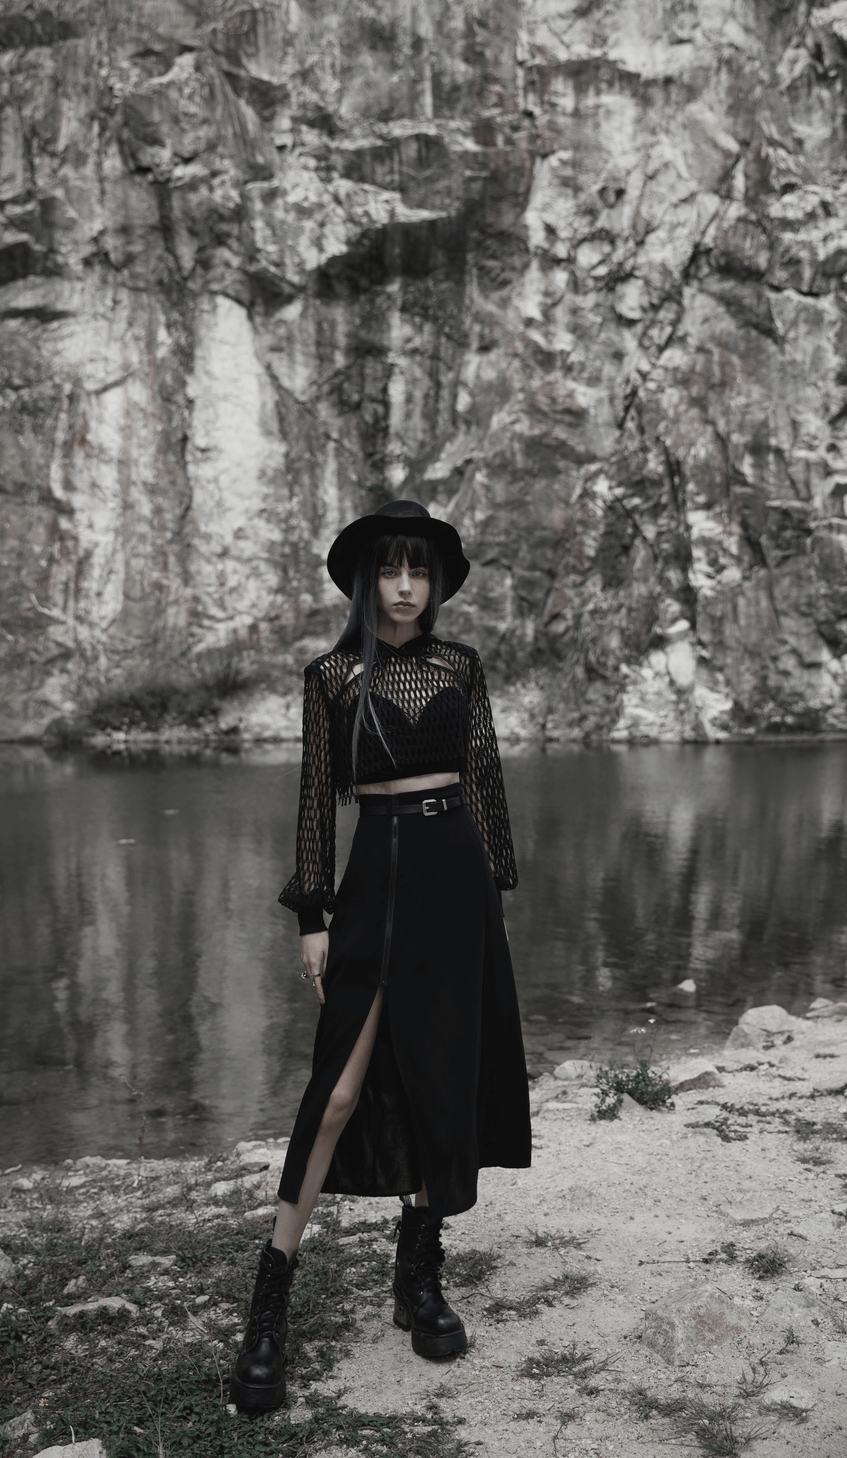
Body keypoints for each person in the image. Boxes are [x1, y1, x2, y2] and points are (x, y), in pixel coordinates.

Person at [229, 499, 531, 1410]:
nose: (407, 587)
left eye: (421, 572)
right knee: (340, 1091)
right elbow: (317, 799)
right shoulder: (330, 677)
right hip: (374, 879)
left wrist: (496, 901)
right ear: (367, 581)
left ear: (435, 583)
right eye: (392, 571)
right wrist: (310, 915)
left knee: (440, 1071)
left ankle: (419, 1269)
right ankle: (269, 1302)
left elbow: (483, 777)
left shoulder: (462, 667)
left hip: (454, 882)